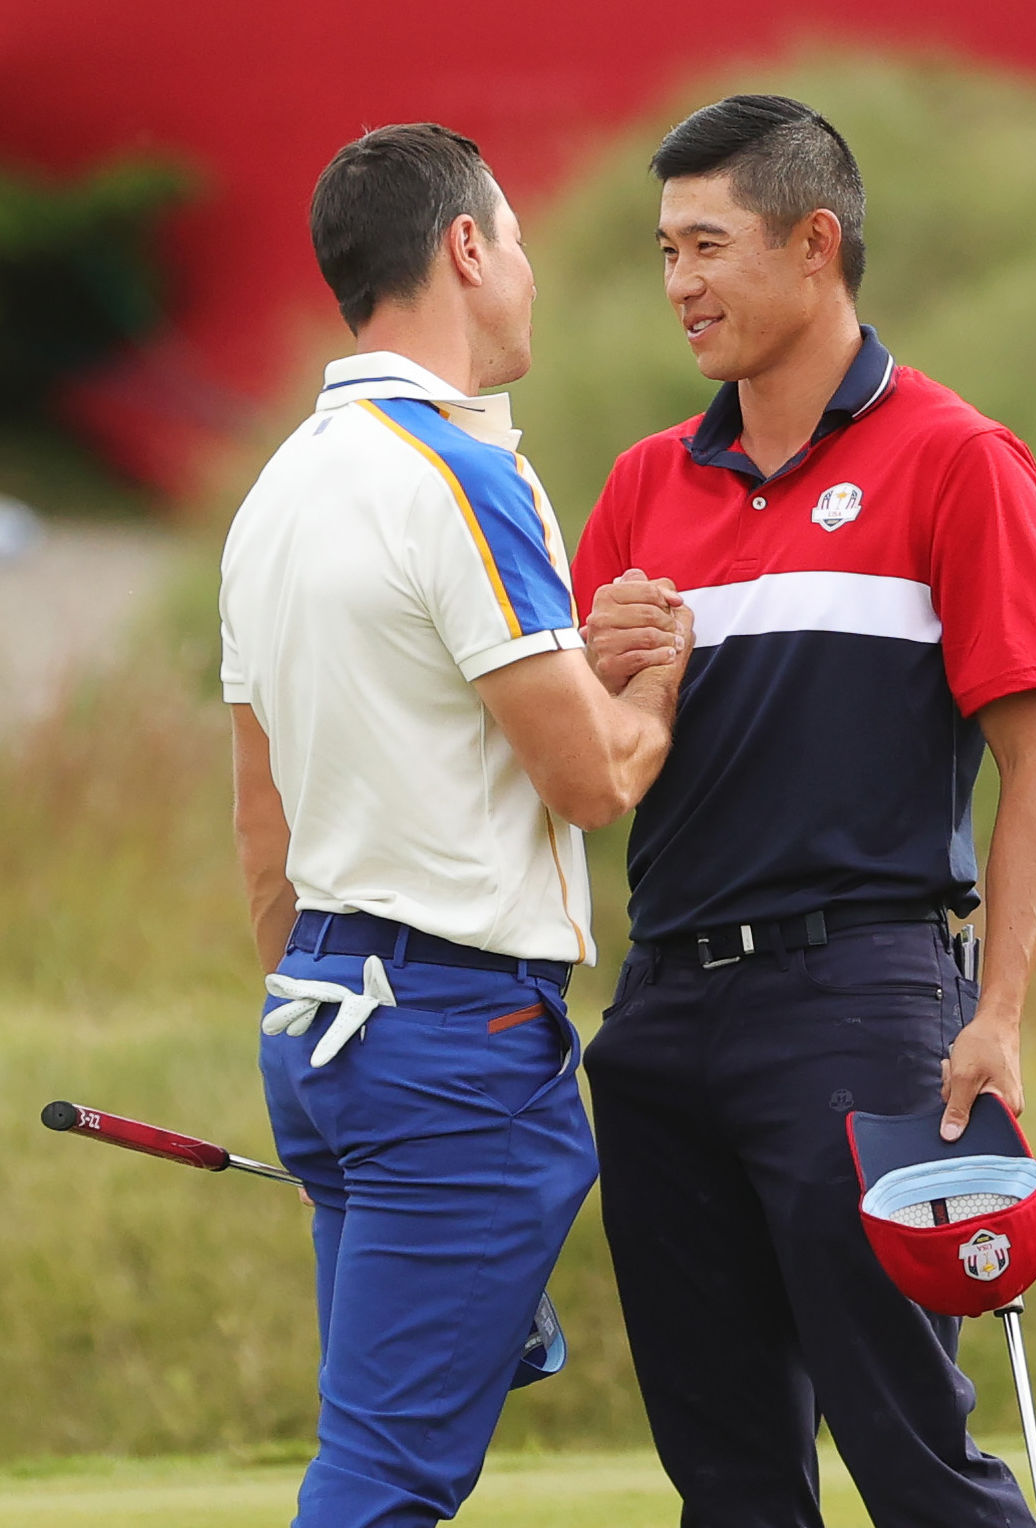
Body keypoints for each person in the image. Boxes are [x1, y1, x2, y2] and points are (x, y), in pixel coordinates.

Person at [573, 95, 1036, 1528]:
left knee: (911, 1457)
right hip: (664, 1014)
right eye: (662, 250)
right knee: (726, 1481)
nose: (677, 283)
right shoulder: (636, 488)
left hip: (859, 1004)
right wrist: (613, 680)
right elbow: (587, 772)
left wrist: (997, 1012)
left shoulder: (956, 458)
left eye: (706, 246)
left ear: (815, 244)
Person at [219, 123, 691, 1528]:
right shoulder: (461, 471)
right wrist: (653, 675)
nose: (532, 273)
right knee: (386, 1479)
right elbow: (592, 781)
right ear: (467, 249)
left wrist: (325, 1075)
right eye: (521, 241)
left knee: (385, 1436)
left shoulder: (275, 493)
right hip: (452, 1041)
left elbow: (264, 825)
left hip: (322, 1023)